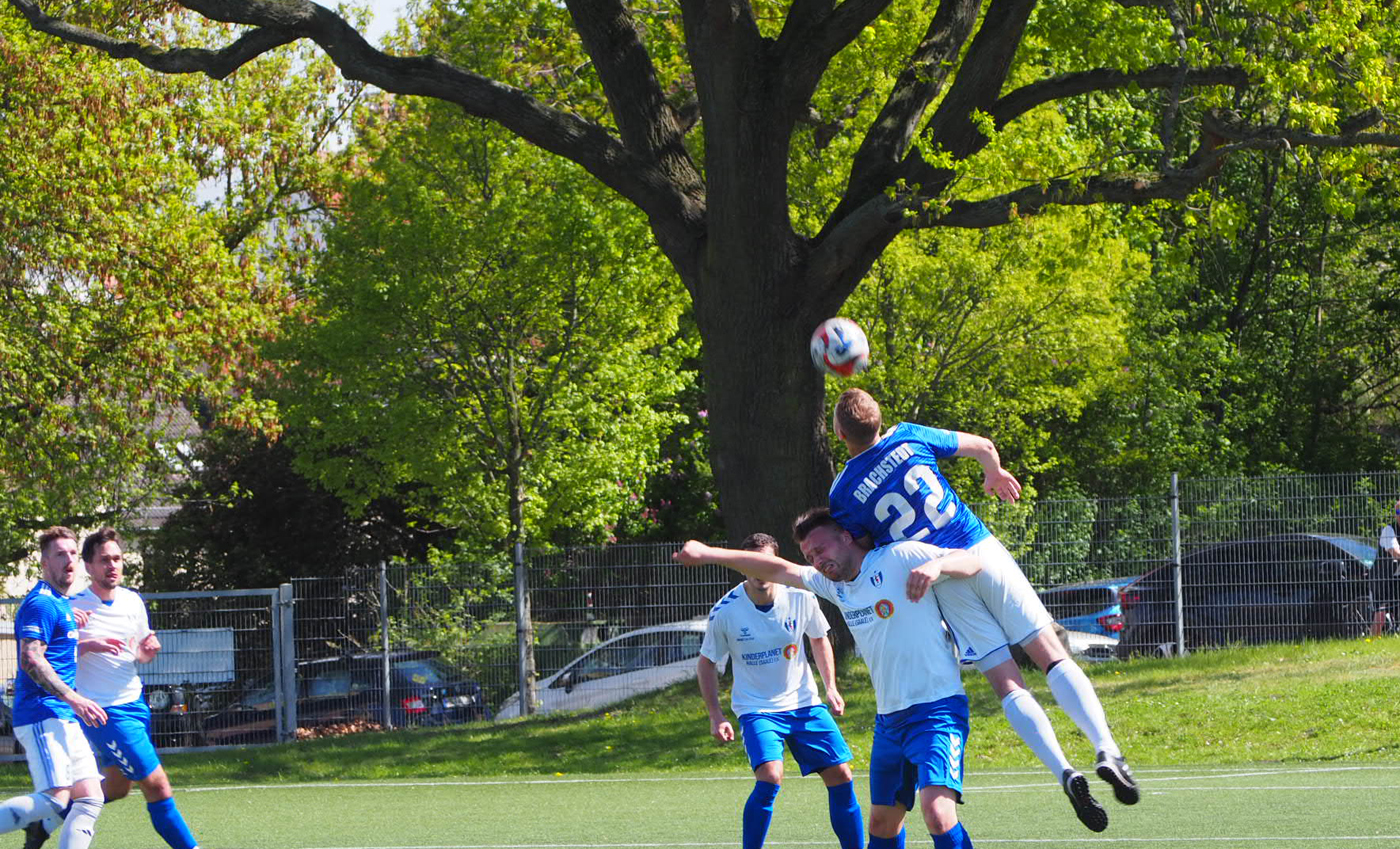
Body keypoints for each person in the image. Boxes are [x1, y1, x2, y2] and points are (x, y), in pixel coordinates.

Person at [826, 388, 1137, 831]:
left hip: (941, 576)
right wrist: (994, 473)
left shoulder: (842, 492)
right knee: (1050, 655)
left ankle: (1064, 771)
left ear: (840, 434)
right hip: (979, 550)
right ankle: (1106, 747)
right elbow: (983, 446)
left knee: (1007, 683)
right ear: (878, 420)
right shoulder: (908, 435)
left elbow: (861, 546)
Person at [676, 509, 984, 849]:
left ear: (846, 537)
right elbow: (777, 569)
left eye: (820, 549)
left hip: (936, 710)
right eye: (810, 557)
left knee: (937, 814)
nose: (817, 561)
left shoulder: (899, 556)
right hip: (889, 721)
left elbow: (972, 561)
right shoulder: (833, 586)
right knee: (881, 824)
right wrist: (708, 554)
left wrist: (937, 566)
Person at [24, 528, 200, 849]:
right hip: (104, 713)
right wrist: (87, 645)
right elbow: (49, 656)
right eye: (104, 560)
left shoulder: (133, 601)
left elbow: (138, 653)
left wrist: (146, 651)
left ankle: (44, 822)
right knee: (157, 786)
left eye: (117, 559)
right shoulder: (72, 605)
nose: (113, 566)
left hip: (135, 704)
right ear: (88, 566)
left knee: (117, 788)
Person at [697, 532, 863, 849]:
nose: (759, 571)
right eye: (752, 563)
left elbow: (819, 639)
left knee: (841, 775)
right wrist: (716, 715)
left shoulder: (801, 597)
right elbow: (707, 663)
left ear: (776, 562)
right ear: (742, 566)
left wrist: (831, 687)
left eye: (766, 563)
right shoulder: (726, 611)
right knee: (771, 776)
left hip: (804, 703)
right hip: (757, 709)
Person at [0, 527, 107, 849]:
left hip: (63, 716)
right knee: (56, 798)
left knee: (89, 797)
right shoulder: (42, 604)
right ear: (44, 563)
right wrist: (74, 698)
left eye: (73, 553)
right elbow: (31, 660)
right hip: (42, 714)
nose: (69, 560)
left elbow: (57, 653)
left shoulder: (60, 604)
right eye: (60, 554)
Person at [1371, 499, 1400, 637]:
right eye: (1398, 511)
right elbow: (1395, 552)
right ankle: (1372, 640)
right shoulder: (1389, 530)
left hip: (1396, 577)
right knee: (1381, 613)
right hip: (1382, 577)